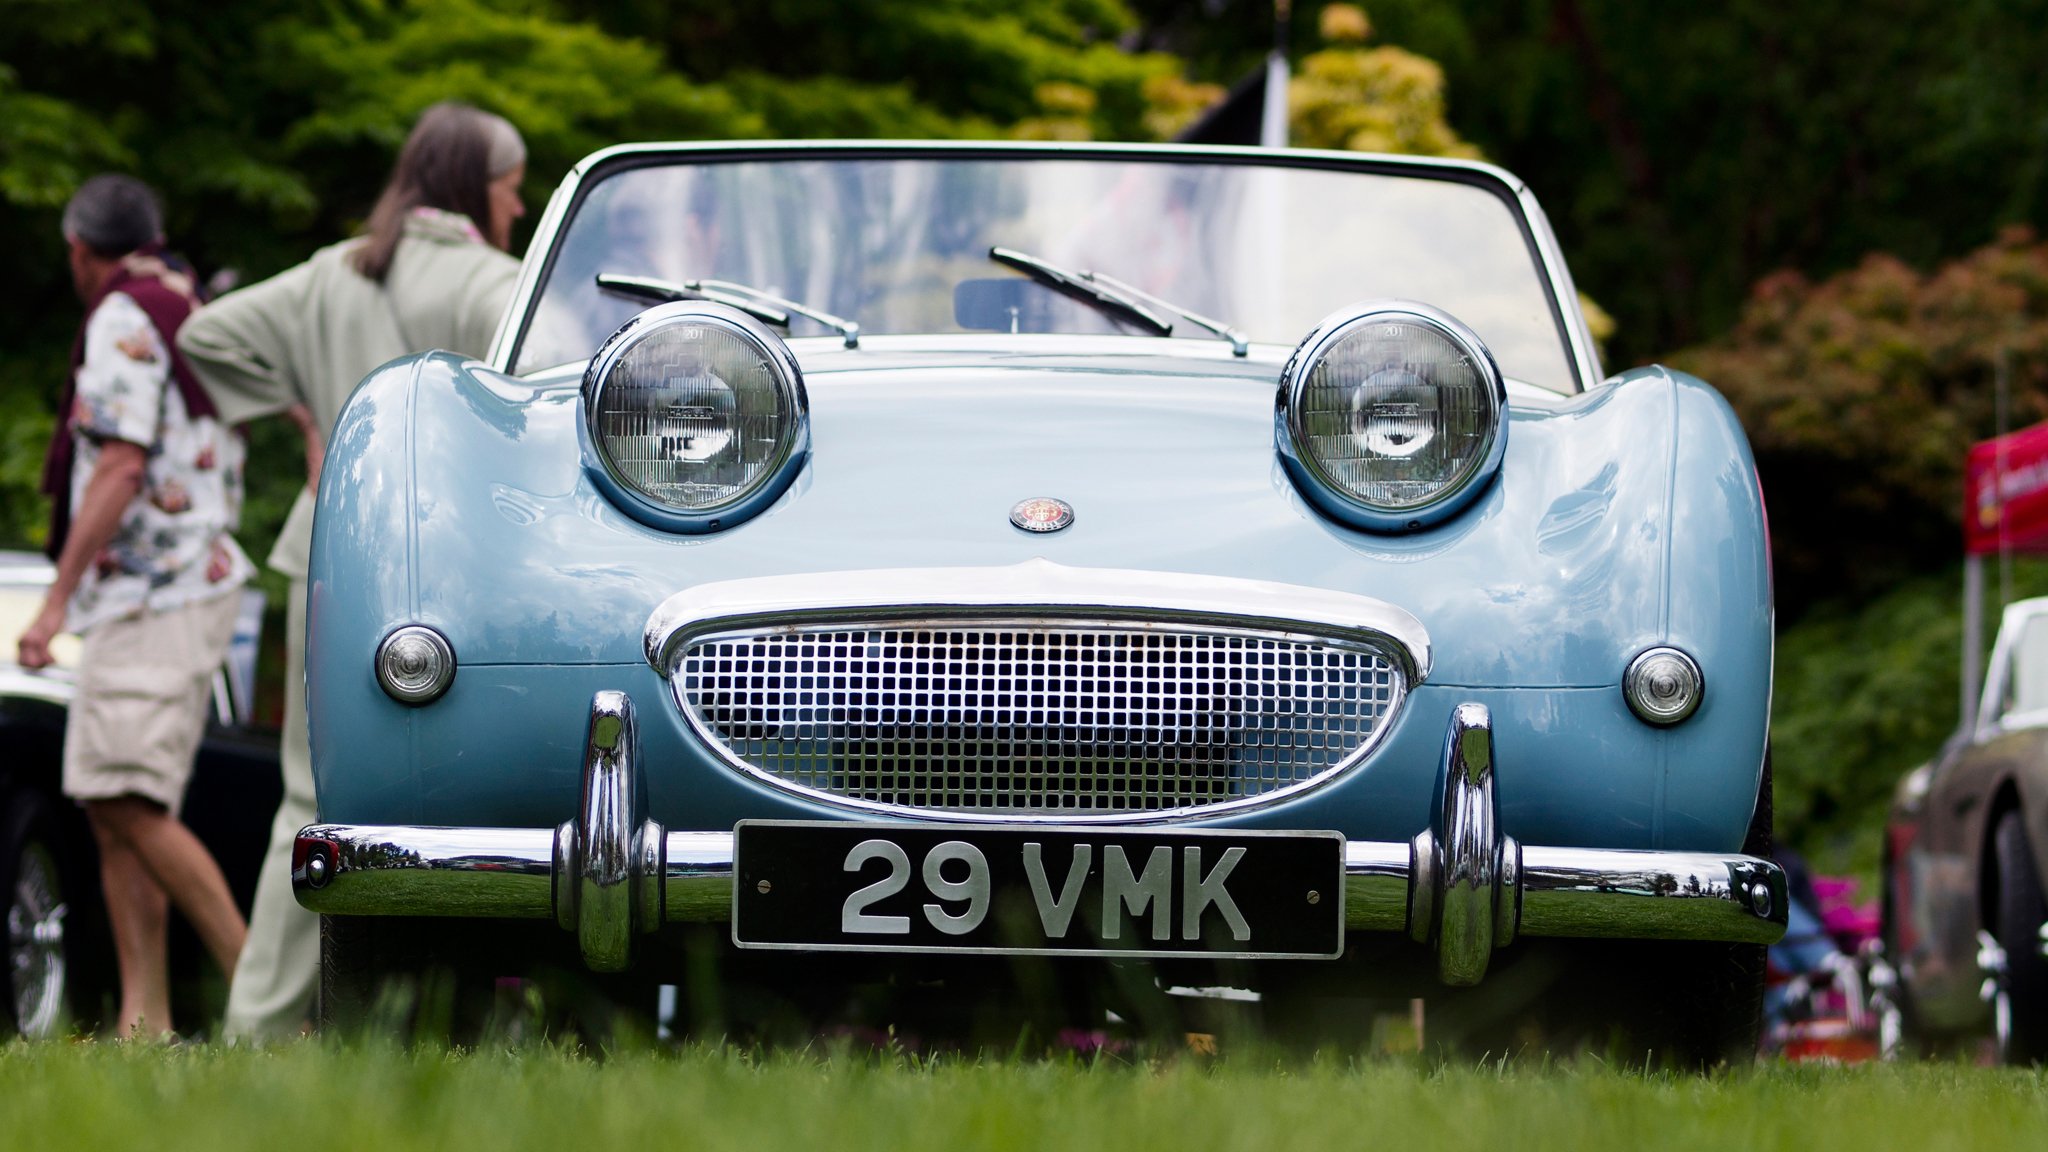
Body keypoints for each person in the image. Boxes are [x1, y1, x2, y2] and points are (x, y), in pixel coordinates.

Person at [178, 101, 527, 1041]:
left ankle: (261, 1025)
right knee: (470, 802)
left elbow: (205, 335)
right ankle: (427, 1029)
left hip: (330, 557)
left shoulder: (334, 272)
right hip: (458, 583)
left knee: (310, 793)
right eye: (510, 187)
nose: (521, 206)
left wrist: (305, 413)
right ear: (476, 189)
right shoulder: (499, 286)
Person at [17, 173, 256, 1038]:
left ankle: (261, 996)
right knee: (120, 806)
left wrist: (50, 606)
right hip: (182, 585)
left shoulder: (124, 314)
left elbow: (120, 467)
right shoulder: (190, 303)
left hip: (159, 589)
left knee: (120, 799)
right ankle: (143, 1020)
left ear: (81, 250)